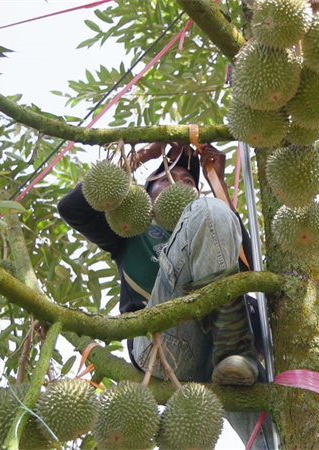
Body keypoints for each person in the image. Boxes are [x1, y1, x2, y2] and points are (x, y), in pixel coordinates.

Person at [58, 142, 272, 448]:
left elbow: (248, 264)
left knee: (276, 435)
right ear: (146, 195)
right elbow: (71, 208)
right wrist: (145, 155)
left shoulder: (209, 223)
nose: (183, 183)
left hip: (227, 362)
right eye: (169, 178)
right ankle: (233, 347)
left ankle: (232, 349)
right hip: (162, 343)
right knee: (210, 210)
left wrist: (218, 182)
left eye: (190, 181)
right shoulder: (129, 231)